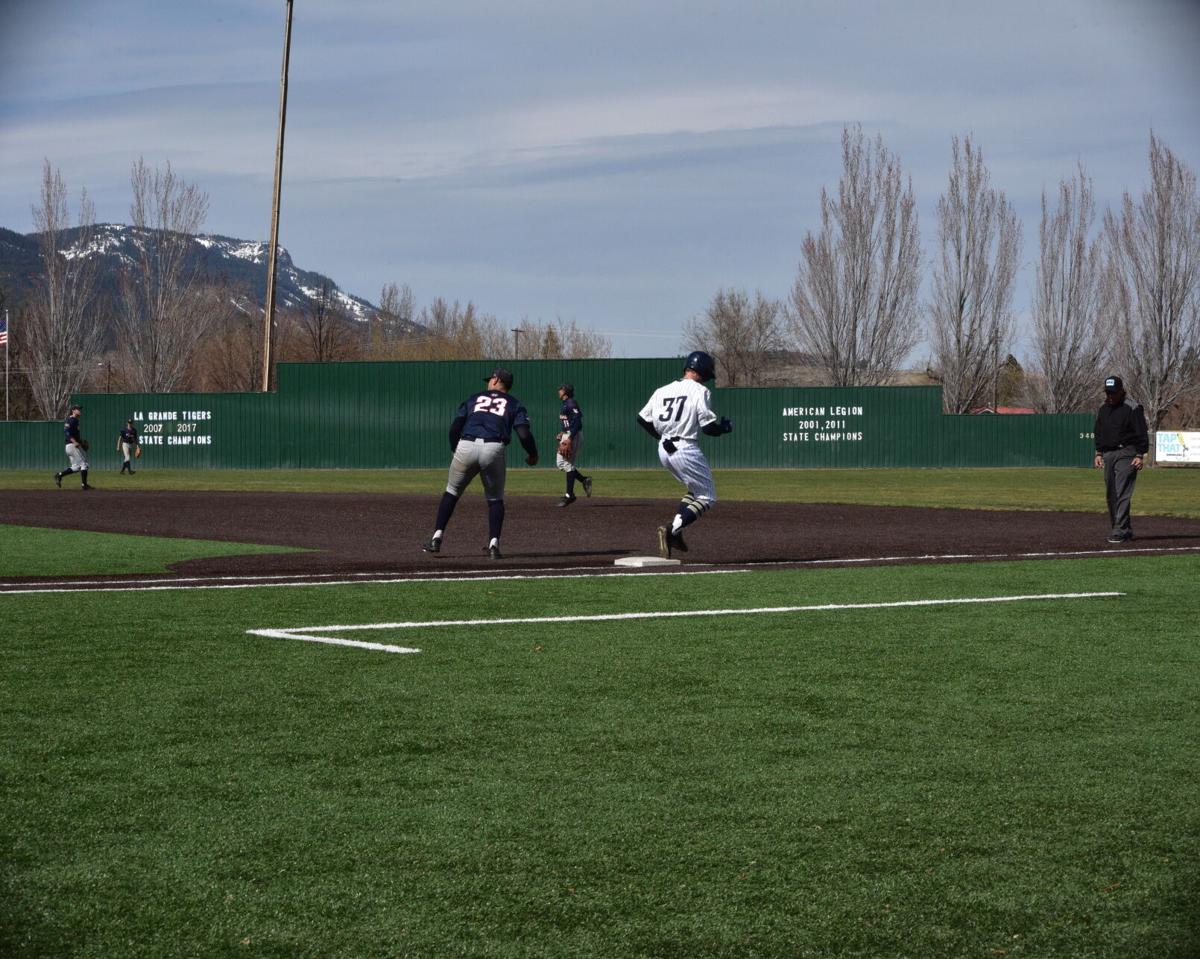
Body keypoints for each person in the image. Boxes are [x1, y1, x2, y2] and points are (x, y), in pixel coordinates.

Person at [422, 367, 539, 559]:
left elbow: (455, 428)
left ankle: (436, 538)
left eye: (490, 379)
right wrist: (533, 454)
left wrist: (455, 449)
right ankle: (493, 544)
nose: (488, 382)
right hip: (493, 448)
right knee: (495, 499)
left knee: (451, 492)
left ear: (495, 380)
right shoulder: (515, 403)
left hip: (466, 445)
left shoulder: (473, 398)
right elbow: (524, 434)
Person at [636, 350, 732, 558]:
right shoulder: (699, 391)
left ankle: (676, 533)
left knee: (695, 489)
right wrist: (723, 428)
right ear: (702, 370)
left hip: (664, 448)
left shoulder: (662, 390)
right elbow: (708, 428)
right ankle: (672, 530)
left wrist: (662, 437)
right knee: (708, 496)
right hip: (685, 447)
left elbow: (642, 418)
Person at [1093, 375, 1149, 544]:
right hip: (1109, 454)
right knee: (1111, 494)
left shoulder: (1132, 407)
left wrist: (1140, 455)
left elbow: (1141, 432)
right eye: (1107, 392)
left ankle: (1120, 530)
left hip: (1127, 452)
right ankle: (1124, 529)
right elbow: (1099, 431)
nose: (1110, 396)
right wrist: (1098, 453)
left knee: (1122, 491)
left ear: (1121, 391)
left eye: (1113, 393)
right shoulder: (1103, 408)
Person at [554, 382, 593, 507]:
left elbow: (577, 422)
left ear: (565, 391)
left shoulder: (571, 403)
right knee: (561, 463)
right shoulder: (565, 404)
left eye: (560, 389)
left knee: (567, 464)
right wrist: (563, 432)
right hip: (568, 434)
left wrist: (569, 438)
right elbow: (570, 422)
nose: (558, 390)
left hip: (573, 435)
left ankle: (569, 495)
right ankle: (584, 480)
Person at [54, 403, 92, 490]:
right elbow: (66, 432)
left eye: (80, 409)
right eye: (78, 409)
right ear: (73, 410)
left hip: (71, 446)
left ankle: (59, 475)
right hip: (72, 445)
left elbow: (74, 435)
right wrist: (74, 441)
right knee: (84, 464)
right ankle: (84, 485)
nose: (80, 410)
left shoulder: (75, 420)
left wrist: (81, 442)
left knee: (76, 467)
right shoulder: (71, 420)